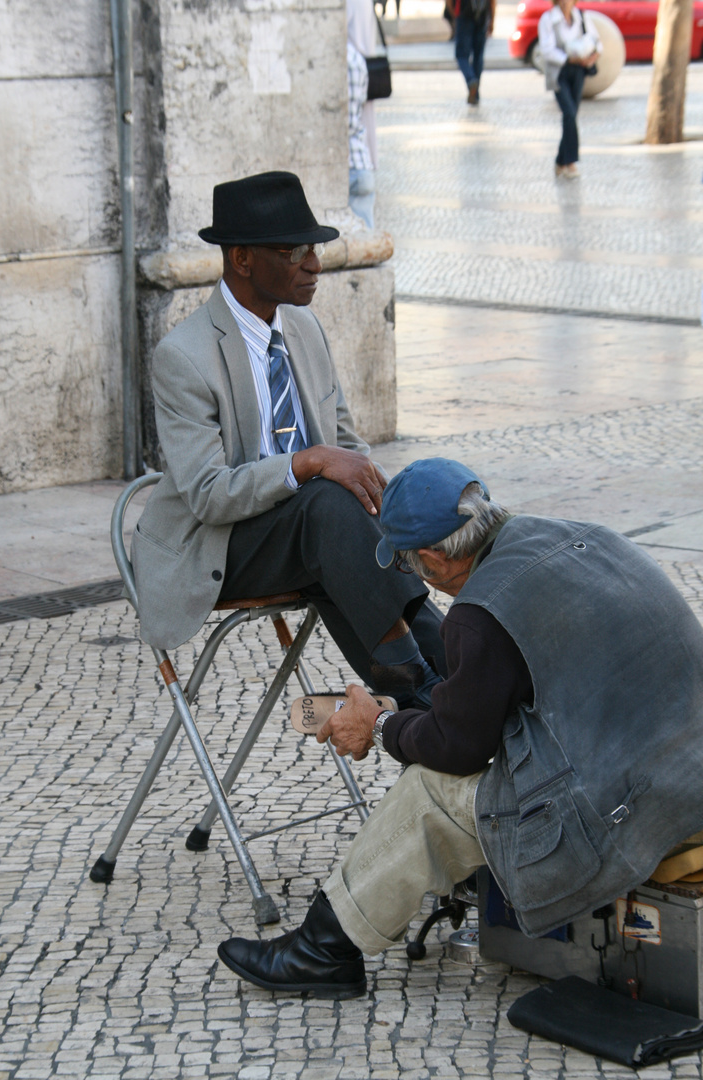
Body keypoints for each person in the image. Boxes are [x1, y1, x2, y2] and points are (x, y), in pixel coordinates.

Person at [217, 457, 703, 999]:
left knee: (432, 790)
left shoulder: (482, 610)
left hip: (638, 813)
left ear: (431, 558)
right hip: (690, 770)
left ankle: (324, 949)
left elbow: (458, 748)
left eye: (405, 564)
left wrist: (379, 725)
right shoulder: (581, 537)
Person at [131, 172, 446, 710]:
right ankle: (430, 687)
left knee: (354, 517)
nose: (315, 265)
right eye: (294, 250)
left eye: (315, 249)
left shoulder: (304, 330)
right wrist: (308, 462)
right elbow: (208, 494)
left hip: (314, 539)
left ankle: (441, 692)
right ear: (242, 258)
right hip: (222, 544)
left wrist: (364, 489)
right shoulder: (183, 356)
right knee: (324, 504)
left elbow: (349, 447)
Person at [538, 0, 602, 178]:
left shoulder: (582, 17)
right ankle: (570, 162)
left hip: (579, 71)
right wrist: (568, 58)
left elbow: (597, 42)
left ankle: (560, 161)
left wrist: (592, 56)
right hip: (559, 72)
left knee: (572, 116)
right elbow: (546, 50)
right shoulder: (548, 19)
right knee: (569, 114)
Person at [347, 41, 376, 229]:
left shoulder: (334, 58)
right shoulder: (355, 58)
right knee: (366, 239)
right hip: (361, 161)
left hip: (347, 166)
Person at [447, 0, 496, 105]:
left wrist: (455, 16)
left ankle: (471, 80)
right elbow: (492, 2)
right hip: (482, 17)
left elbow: (449, 2)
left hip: (463, 16)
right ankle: (475, 93)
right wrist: (492, 20)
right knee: (478, 56)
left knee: (461, 55)